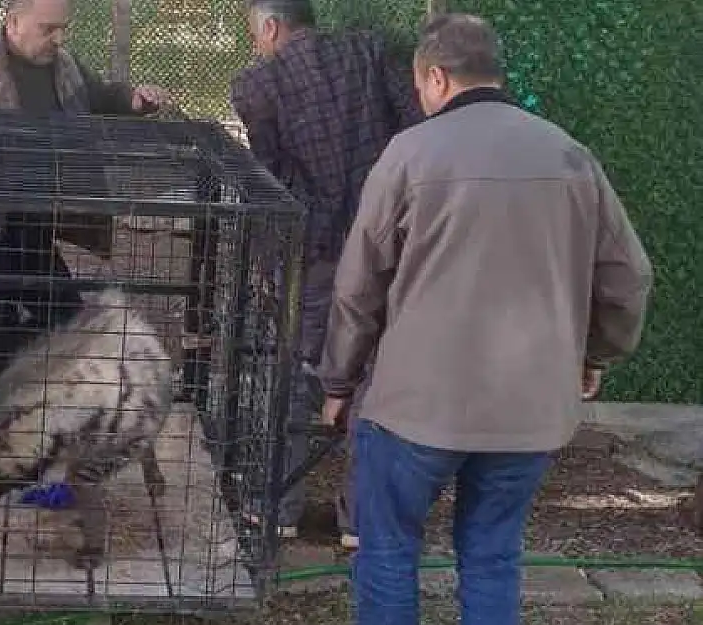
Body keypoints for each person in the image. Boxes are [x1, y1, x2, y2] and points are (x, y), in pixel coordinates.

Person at [317, 13, 652, 624]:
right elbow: (629, 279)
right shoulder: (571, 156)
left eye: (420, 84)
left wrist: (338, 381)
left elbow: (358, 283)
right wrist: (593, 355)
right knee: (494, 555)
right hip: (528, 413)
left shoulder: (409, 154)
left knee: (388, 550)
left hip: (414, 410)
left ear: (437, 78)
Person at [0, 0, 172, 386]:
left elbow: (100, 96)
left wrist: (131, 100)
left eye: (62, 28)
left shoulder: (66, 67)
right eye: (48, 29)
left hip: (34, 225)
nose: (59, 38)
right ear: (13, 22)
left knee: (67, 324)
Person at [228, 0, 422, 546]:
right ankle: (362, 520)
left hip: (312, 254)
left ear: (271, 27)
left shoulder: (256, 87)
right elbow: (415, 135)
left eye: (256, 36)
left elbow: (269, 180)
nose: (257, 47)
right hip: (388, 245)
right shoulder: (371, 50)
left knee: (296, 373)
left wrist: (270, 262)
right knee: (377, 381)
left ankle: (279, 508)